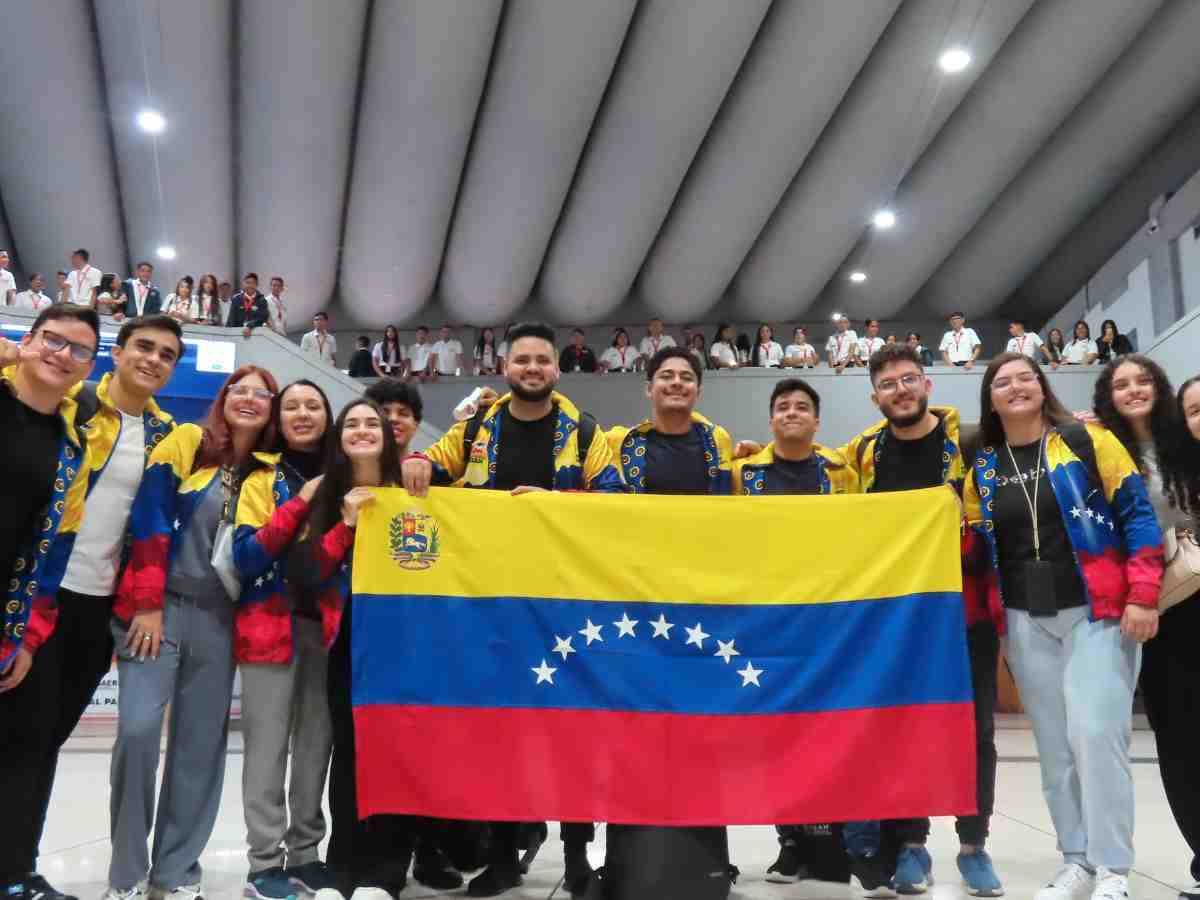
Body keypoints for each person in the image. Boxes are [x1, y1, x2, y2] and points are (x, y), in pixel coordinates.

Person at [401, 322, 624, 898]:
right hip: (490, 603)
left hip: (566, 602)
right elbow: (434, 461)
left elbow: (618, 498)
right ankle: (503, 856)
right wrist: (421, 459)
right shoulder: (477, 425)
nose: (531, 369)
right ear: (506, 368)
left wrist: (560, 503)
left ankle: (577, 858)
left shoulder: (584, 430)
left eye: (541, 361)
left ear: (556, 369)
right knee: (500, 731)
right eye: (521, 359)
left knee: (574, 731)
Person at [963, 353, 1163, 900]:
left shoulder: (1087, 442)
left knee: (1097, 740)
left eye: (1026, 376)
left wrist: (1143, 594)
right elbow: (976, 546)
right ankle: (1075, 859)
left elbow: (1138, 516)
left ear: (1042, 384)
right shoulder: (982, 466)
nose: (1016, 387)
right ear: (991, 398)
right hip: (1026, 621)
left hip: (1097, 613)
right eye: (1002, 382)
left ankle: (1113, 868)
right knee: (1054, 749)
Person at [3, 314, 182, 900]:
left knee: (45, 737)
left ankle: (17, 862)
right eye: (143, 347)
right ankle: (14, 870)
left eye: (166, 354)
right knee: (23, 736)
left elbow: (156, 528)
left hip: (100, 606)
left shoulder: (167, 434)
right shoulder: (73, 401)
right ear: (118, 353)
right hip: (38, 592)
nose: (153, 360)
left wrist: (147, 604)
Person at [835, 344, 1001, 898]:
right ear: (875, 396)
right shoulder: (863, 454)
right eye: (888, 384)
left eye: (909, 380)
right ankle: (911, 842)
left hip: (963, 610)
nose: (900, 391)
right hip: (895, 622)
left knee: (975, 729)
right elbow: (822, 490)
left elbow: (997, 512)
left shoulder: (970, 442)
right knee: (903, 726)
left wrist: (965, 532)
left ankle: (974, 845)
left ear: (927, 384)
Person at [107, 365, 279, 900]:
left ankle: (176, 871)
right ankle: (127, 875)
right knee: (137, 732)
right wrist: (147, 604)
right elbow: (152, 518)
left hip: (221, 620)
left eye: (261, 394)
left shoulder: (270, 472)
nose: (248, 399)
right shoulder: (188, 441)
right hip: (157, 609)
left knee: (199, 748)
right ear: (223, 398)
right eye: (239, 390)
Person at [732, 379, 854, 886]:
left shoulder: (843, 473)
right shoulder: (742, 474)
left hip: (828, 620)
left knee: (827, 728)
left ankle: (831, 839)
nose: (792, 413)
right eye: (782, 407)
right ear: (770, 419)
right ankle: (789, 842)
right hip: (765, 620)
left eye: (802, 407)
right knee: (776, 732)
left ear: (818, 420)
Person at [0, 305, 101, 900]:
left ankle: (13, 874)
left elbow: (56, 552)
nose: (61, 355)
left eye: (79, 350)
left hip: (11, 614)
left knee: (26, 742)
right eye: (52, 340)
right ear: (31, 339)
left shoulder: (71, 448)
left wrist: (28, 638)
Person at [1093, 357, 1200, 900]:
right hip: (1153, 604)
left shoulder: (1185, 441)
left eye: (1142, 381)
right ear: (1107, 395)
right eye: (1120, 383)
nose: (1133, 390)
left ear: (1159, 388)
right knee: (1178, 734)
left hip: (1196, 591)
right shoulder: (1100, 450)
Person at [230, 380, 337, 900]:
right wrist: (299, 501)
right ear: (279, 417)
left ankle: (306, 853)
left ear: (327, 415)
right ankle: (264, 862)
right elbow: (248, 556)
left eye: (313, 405)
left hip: (329, 631)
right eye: (291, 405)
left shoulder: (348, 475)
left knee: (316, 748)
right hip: (267, 627)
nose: (301, 413)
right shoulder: (260, 478)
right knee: (266, 750)